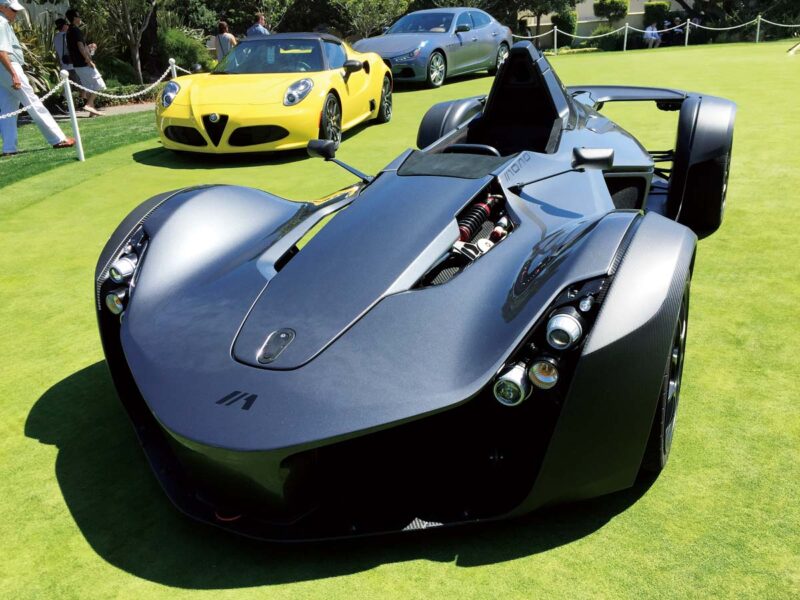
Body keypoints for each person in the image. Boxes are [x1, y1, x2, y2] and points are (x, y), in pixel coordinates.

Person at [0, 0, 74, 157]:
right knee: (32, 101)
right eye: (13, 10)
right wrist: (14, 74)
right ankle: (57, 138)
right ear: (2, 7)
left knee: (8, 108)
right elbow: (1, 52)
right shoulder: (2, 22)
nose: (16, 13)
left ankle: (9, 147)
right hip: (9, 67)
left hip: (3, 71)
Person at [66, 7, 106, 116]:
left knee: (89, 87)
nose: (80, 18)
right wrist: (88, 60)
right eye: (79, 16)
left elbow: (78, 47)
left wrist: (88, 48)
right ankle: (88, 104)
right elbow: (80, 47)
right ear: (74, 18)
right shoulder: (76, 31)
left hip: (77, 65)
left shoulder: (69, 31)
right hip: (83, 64)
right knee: (99, 84)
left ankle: (92, 112)